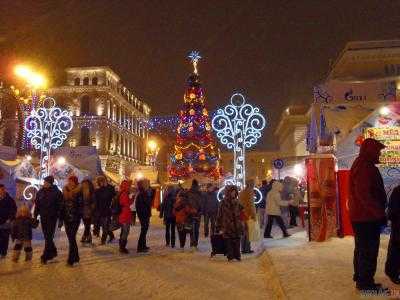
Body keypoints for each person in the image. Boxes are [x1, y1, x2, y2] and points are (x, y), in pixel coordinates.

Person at [349, 138, 387, 291]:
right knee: (368, 250)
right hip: (367, 217)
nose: (379, 154)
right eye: (377, 151)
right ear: (370, 151)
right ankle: (366, 284)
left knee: (362, 248)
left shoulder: (362, 164)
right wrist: (378, 213)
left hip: (362, 216)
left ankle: (361, 278)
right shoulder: (365, 166)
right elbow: (364, 194)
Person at [34, 176, 63, 264]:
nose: (44, 183)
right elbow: (37, 204)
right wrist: (35, 215)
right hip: (43, 217)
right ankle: (53, 251)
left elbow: (60, 206)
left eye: (46, 182)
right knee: (47, 236)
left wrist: (60, 218)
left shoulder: (57, 192)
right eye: (44, 182)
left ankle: (45, 256)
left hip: (52, 217)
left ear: (50, 183)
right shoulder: (40, 192)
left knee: (49, 236)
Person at [216, 185, 244, 261]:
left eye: (235, 192)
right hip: (227, 225)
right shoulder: (223, 202)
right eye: (232, 192)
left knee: (237, 240)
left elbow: (242, 212)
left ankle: (237, 255)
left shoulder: (237, 202)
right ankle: (230, 256)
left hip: (236, 224)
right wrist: (218, 226)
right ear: (228, 192)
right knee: (228, 241)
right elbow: (219, 215)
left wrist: (242, 222)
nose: (233, 194)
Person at [61, 175, 83, 266]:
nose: (70, 183)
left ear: (75, 182)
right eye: (69, 181)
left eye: (72, 181)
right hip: (66, 217)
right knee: (71, 239)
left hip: (75, 217)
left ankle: (71, 259)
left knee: (72, 237)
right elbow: (62, 204)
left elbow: (81, 204)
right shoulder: (65, 190)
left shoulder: (79, 192)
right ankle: (76, 257)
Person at [94, 176, 116, 244]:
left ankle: (103, 240)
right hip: (100, 211)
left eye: (102, 181)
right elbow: (96, 201)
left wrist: (107, 186)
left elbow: (112, 196)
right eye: (99, 181)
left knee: (105, 226)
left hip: (107, 210)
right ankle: (111, 236)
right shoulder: (98, 190)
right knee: (105, 226)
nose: (101, 183)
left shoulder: (109, 188)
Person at [386, 185, 400, 284]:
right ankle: (392, 272)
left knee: (395, 249)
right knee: (396, 250)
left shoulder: (397, 190)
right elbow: (391, 212)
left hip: (397, 226)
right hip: (398, 226)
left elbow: (390, 213)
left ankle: (392, 272)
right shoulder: (397, 191)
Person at [239, 179, 257, 254]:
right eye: (253, 184)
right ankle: (247, 248)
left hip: (242, 213)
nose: (254, 185)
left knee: (244, 232)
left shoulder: (242, 191)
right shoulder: (250, 192)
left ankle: (243, 248)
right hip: (248, 214)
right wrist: (253, 215)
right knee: (248, 232)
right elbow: (251, 205)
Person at [0, 184, 17, 258]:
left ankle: (3, 253)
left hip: (6, 222)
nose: (2, 191)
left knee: (5, 238)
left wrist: (10, 219)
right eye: (1, 189)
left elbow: (13, 210)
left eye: (3, 189)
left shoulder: (9, 199)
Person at [136, 180, 152, 253]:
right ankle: (140, 247)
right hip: (144, 215)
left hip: (144, 214)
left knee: (144, 230)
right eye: (146, 184)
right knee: (144, 230)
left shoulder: (143, 193)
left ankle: (143, 245)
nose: (147, 185)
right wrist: (144, 215)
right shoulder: (142, 194)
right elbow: (145, 204)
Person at [187, 179, 203, 249]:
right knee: (196, 229)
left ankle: (192, 243)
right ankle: (195, 243)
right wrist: (200, 211)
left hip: (190, 213)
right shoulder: (199, 193)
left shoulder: (188, 192)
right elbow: (201, 203)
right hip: (197, 213)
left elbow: (187, 202)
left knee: (191, 229)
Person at [118, 180, 133, 254]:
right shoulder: (124, 194)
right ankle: (122, 248)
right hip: (124, 215)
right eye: (129, 186)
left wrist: (131, 199)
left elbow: (127, 203)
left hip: (124, 215)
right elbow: (126, 204)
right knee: (125, 232)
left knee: (124, 231)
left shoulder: (124, 193)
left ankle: (122, 246)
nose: (130, 187)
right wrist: (132, 199)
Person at [81, 179, 95, 244]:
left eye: (85, 183)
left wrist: (92, 208)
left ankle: (84, 236)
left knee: (87, 224)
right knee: (86, 224)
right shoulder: (81, 191)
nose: (84, 185)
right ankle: (89, 238)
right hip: (82, 209)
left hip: (89, 209)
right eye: (83, 183)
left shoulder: (91, 191)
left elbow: (93, 200)